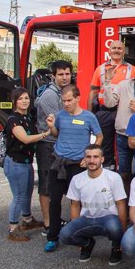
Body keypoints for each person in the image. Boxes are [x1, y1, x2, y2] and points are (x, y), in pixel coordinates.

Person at [44, 84, 103, 252]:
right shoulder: (60, 115)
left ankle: (80, 235)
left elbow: (99, 136)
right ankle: (52, 237)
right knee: (54, 201)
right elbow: (57, 134)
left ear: (78, 98)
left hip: (77, 165)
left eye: (69, 100)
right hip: (59, 162)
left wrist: (89, 156)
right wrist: (51, 127)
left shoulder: (89, 117)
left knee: (78, 202)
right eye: (64, 101)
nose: (66, 104)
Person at [59, 145, 127, 265]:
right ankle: (87, 244)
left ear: (102, 159)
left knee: (115, 229)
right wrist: (75, 226)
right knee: (64, 235)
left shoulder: (113, 177)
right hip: (86, 219)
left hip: (109, 219)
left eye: (96, 157)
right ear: (84, 159)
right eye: (88, 157)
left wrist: (123, 232)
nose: (92, 160)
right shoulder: (77, 179)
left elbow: (121, 204)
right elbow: (75, 205)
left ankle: (116, 247)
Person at [3, 87, 50, 241]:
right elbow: (25, 139)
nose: (24, 101)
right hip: (15, 163)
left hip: (26, 162)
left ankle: (28, 220)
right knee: (18, 196)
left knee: (27, 192)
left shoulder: (28, 117)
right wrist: (46, 134)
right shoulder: (13, 120)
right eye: (20, 99)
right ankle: (13, 228)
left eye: (26, 98)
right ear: (14, 102)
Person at [102, 55, 135, 193]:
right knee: (123, 173)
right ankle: (125, 205)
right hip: (123, 135)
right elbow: (109, 103)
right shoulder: (124, 84)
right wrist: (107, 81)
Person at [34, 59, 72, 234]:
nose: (65, 77)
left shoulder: (65, 92)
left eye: (67, 74)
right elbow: (63, 122)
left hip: (60, 144)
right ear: (53, 76)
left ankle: (55, 219)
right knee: (47, 184)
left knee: (59, 183)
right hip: (48, 145)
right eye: (61, 74)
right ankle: (48, 224)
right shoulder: (50, 95)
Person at [87, 40, 135, 168]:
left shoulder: (132, 70)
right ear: (109, 51)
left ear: (124, 51)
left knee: (124, 145)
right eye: (113, 48)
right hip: (105, 112)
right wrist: (89, 115)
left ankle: (123, 171)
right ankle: (108, 170)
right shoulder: (101, 69)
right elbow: (93, 92)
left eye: (119, 48)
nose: (116, 50)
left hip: (124, 112)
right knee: (105, 145)